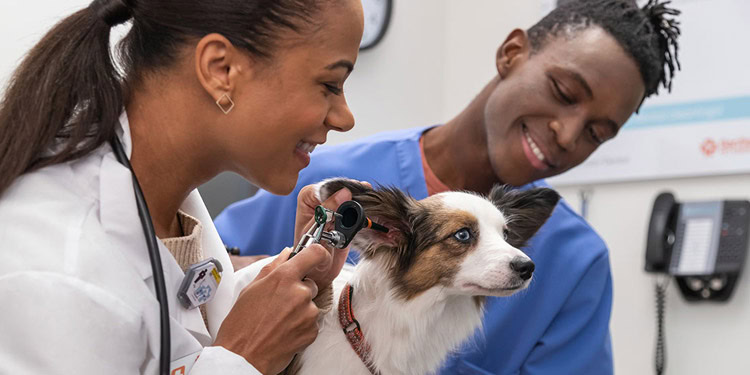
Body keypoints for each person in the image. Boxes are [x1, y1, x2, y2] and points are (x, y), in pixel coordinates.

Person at [214, 0, 682, 374]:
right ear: (512, 53)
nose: (567, 133)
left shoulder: (577, 259)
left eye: (596, 133)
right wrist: (282, 277)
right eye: (563, 91)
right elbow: (190, 276)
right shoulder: (329, 180)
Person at [0, 0, 364, 374]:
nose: (345, 118)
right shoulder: (60, 276)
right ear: (220, 69)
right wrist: (242, 359)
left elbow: (185, 326)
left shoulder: (166, 198)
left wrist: (291, 279)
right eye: (329, 84)